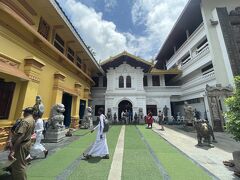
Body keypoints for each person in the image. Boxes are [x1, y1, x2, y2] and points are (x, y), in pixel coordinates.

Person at [8, 107, 35, 180]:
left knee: (18, 166)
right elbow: (32, 133)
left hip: (21, 144)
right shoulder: (32, 120)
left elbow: (20, 137)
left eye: (24, 112)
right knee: (21, 163)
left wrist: (13, 151)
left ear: (26, 112)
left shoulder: (25, 122)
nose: (23, 113)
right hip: (27, 143)